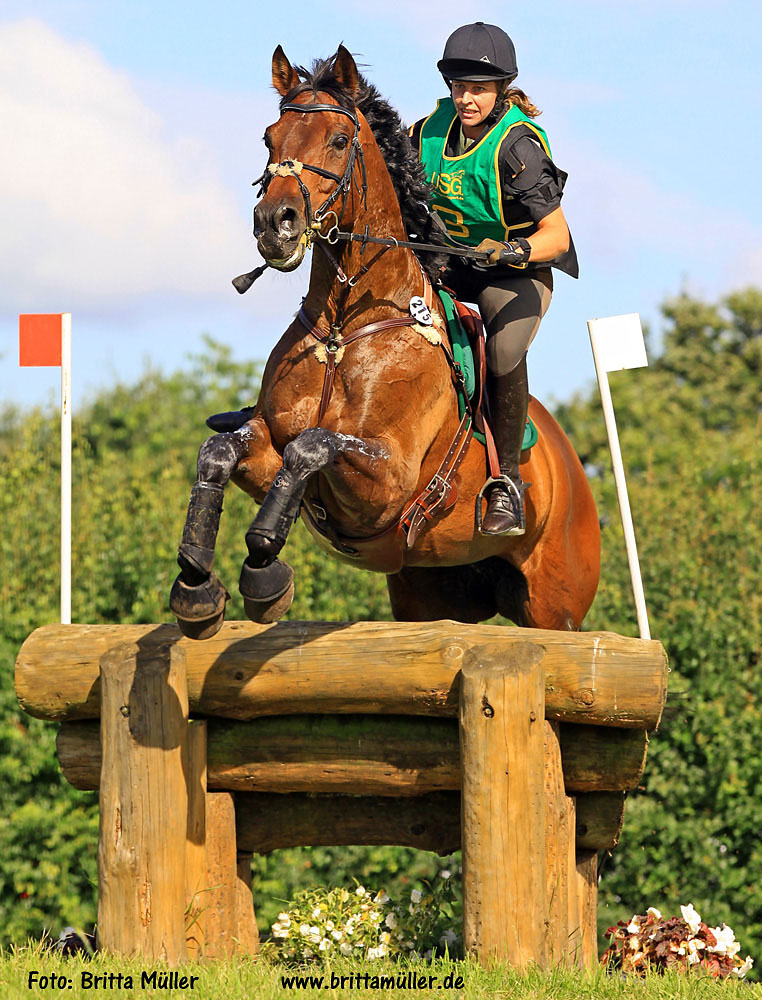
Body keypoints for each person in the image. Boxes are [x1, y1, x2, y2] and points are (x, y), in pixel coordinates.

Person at [410, 22, 578, 535]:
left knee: (503, 351)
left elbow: (558, 237)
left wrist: (506, 250)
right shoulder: (426, 131)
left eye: (477, 90)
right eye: (458, 88)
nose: (465, 99)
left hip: (516, 270)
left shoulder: (516, 147)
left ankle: (507, 483)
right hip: (450, 263)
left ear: (501, 89)